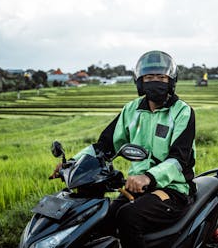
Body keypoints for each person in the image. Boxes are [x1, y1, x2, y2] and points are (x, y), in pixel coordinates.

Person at [54, 50, 196, 248]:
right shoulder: (132, 110)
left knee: (129, 217)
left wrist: (148, 177)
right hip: (137, 188)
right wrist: (72, 164)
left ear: (171, 80)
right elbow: (105, 146)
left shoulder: (182, 112)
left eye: (161, 77)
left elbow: (178, 160)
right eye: (149, 77)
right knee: (104, 218)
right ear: (140, 81)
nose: (155, 81)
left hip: (173, 190)